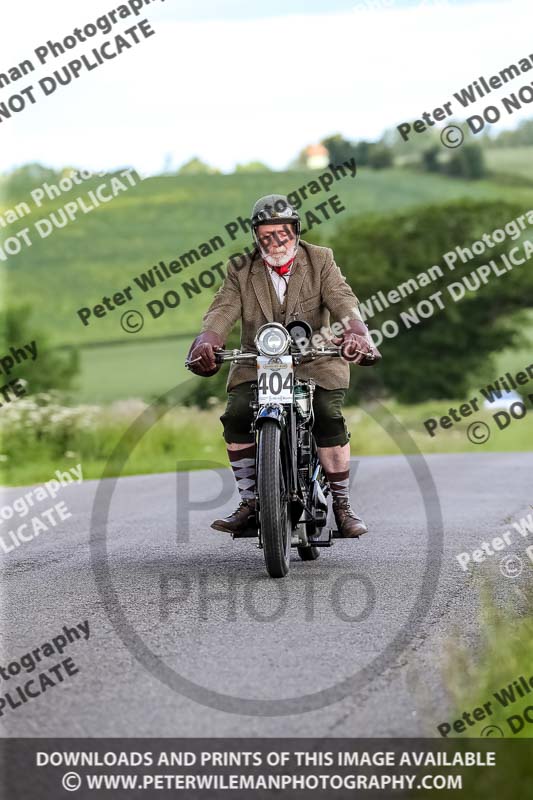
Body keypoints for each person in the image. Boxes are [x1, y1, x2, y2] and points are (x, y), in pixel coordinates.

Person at [186, 194, 381, 538]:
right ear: (256, 236)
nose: (275, 241)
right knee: (236, 415)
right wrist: (207, 340)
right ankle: (250, 502)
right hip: (258, 363)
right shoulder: (240, 269)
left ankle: (342, 505)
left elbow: (343, 300)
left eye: (283, 233)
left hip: (316, 361)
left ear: (295, 231)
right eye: (266, 235)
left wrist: (357, 333)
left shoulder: (320, 260)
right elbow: (222, 310)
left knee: (327, 414)